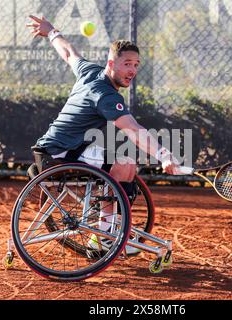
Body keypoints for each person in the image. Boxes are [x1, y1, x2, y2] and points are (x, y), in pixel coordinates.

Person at [27, 15, 181, 256]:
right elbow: (133, 129)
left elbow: (69, 53)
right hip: (59, 155)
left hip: (58, 150)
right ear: (111, 63)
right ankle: (104, 236)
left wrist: (51, 32)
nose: (132, 70)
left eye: (136, 64)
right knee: (123, 165)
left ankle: (107, 232)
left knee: (126, 166)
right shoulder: (107, 96)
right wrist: (164, 155)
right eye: (127, 64)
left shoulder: (90, 71)